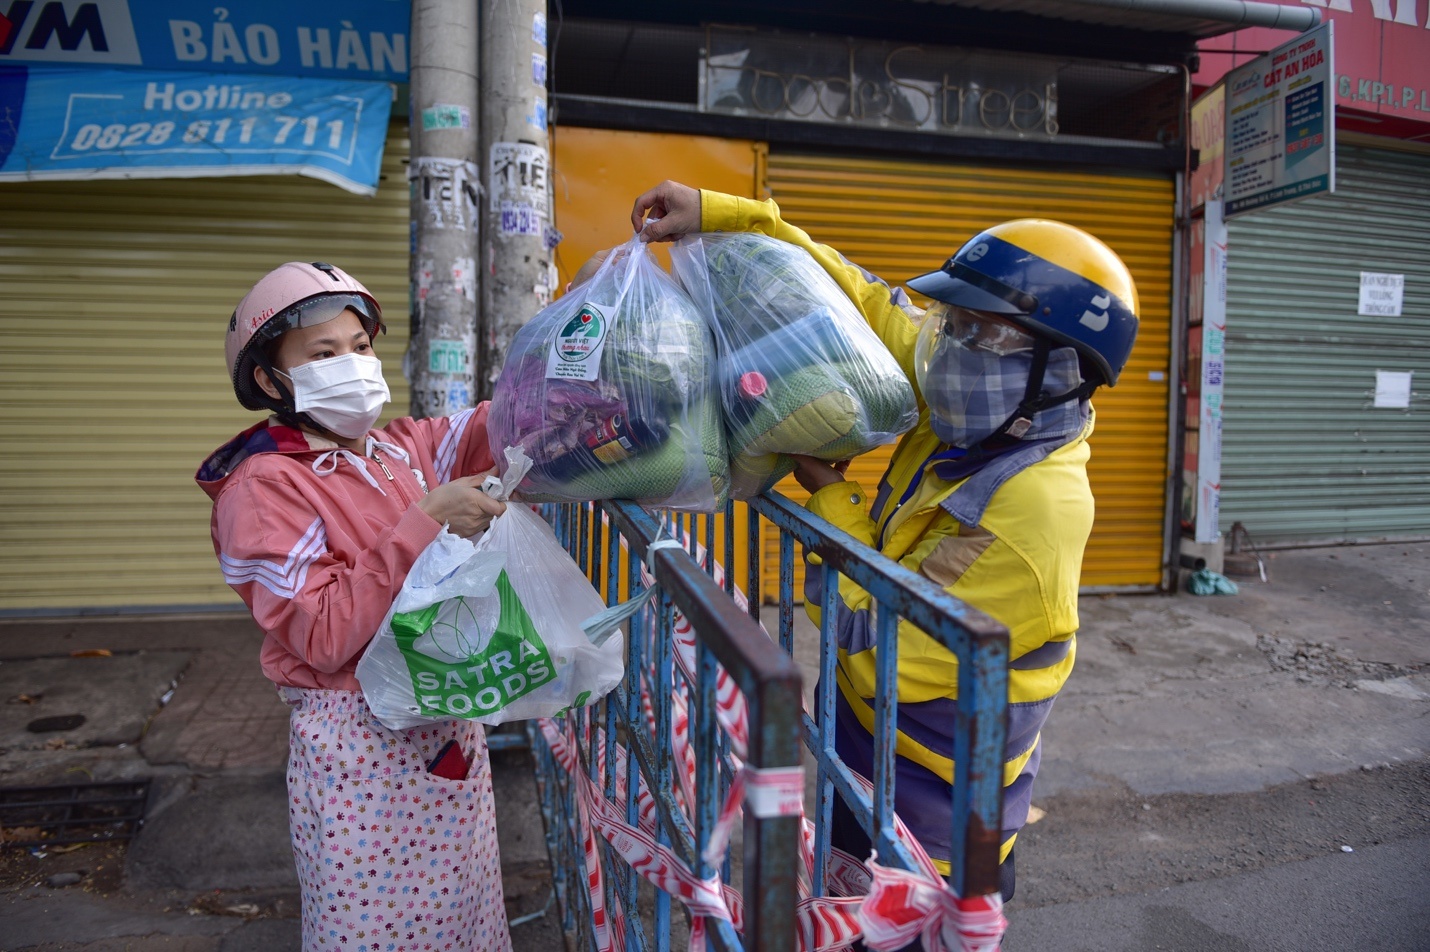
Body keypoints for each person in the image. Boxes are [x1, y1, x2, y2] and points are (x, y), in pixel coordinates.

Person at [631, 182, 1139, 905]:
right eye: (954, 322)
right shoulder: (977, 404)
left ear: (1061, 371)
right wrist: (725, 215)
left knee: (903, 927)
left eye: (984, 333)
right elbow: (858, 303)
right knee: (844, 907)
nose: (951, 346)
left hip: (937, 798)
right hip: (864, 750)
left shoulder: (1034, 508)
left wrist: (830, 497)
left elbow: (874, 642)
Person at [196, 261, 512, 952]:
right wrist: (426, 520)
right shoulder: (264, 489)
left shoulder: (396, 451)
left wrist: (576, 332)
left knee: (465, 920)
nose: (354, 364)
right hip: (362, 751)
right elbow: (324, 632)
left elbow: (500, 424)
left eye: (361, 346)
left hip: (444, 723)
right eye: (324, 354)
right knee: (379, 932)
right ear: (271, 381)